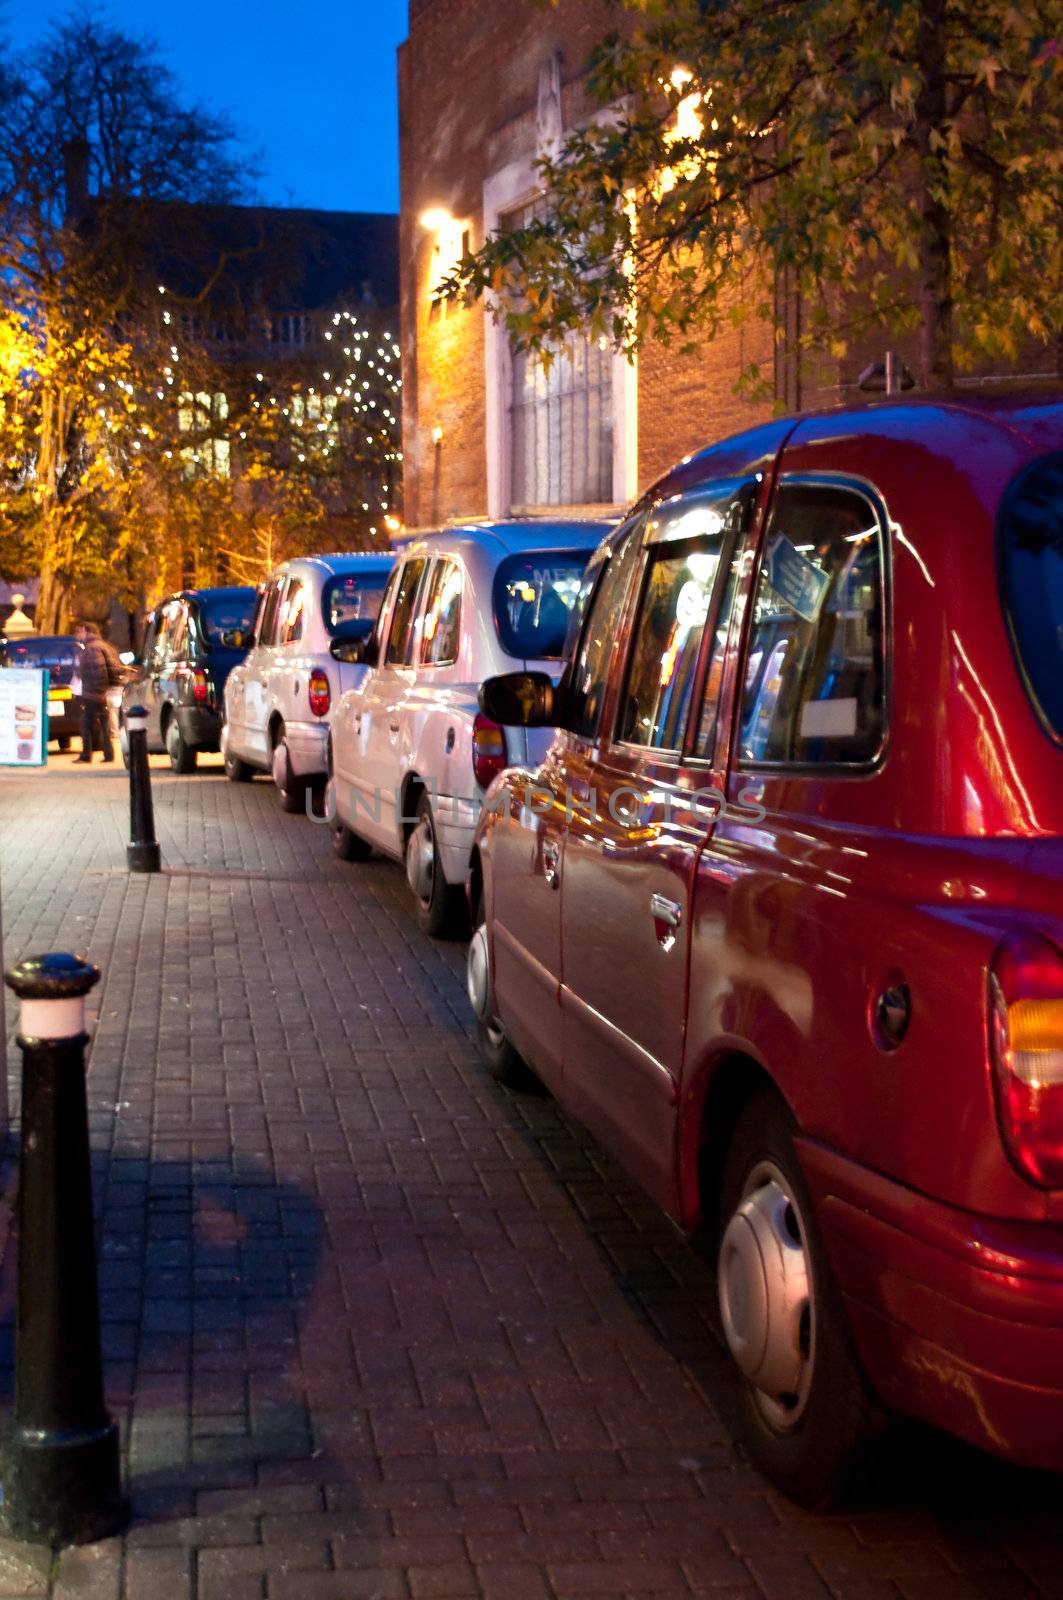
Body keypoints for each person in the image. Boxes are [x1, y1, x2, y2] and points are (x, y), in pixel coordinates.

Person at [73, 621, 125, 763]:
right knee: (104, 724)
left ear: (87, 631)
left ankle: (86, 755)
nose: (78, 635)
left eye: (80, 631)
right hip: (102, 692)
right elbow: (113, 669)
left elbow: (95, 671)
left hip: (92, 693)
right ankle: (108, 754)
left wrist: (95, 692)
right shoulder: (105, 646)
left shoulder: (91, 649)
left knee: (86, 725)